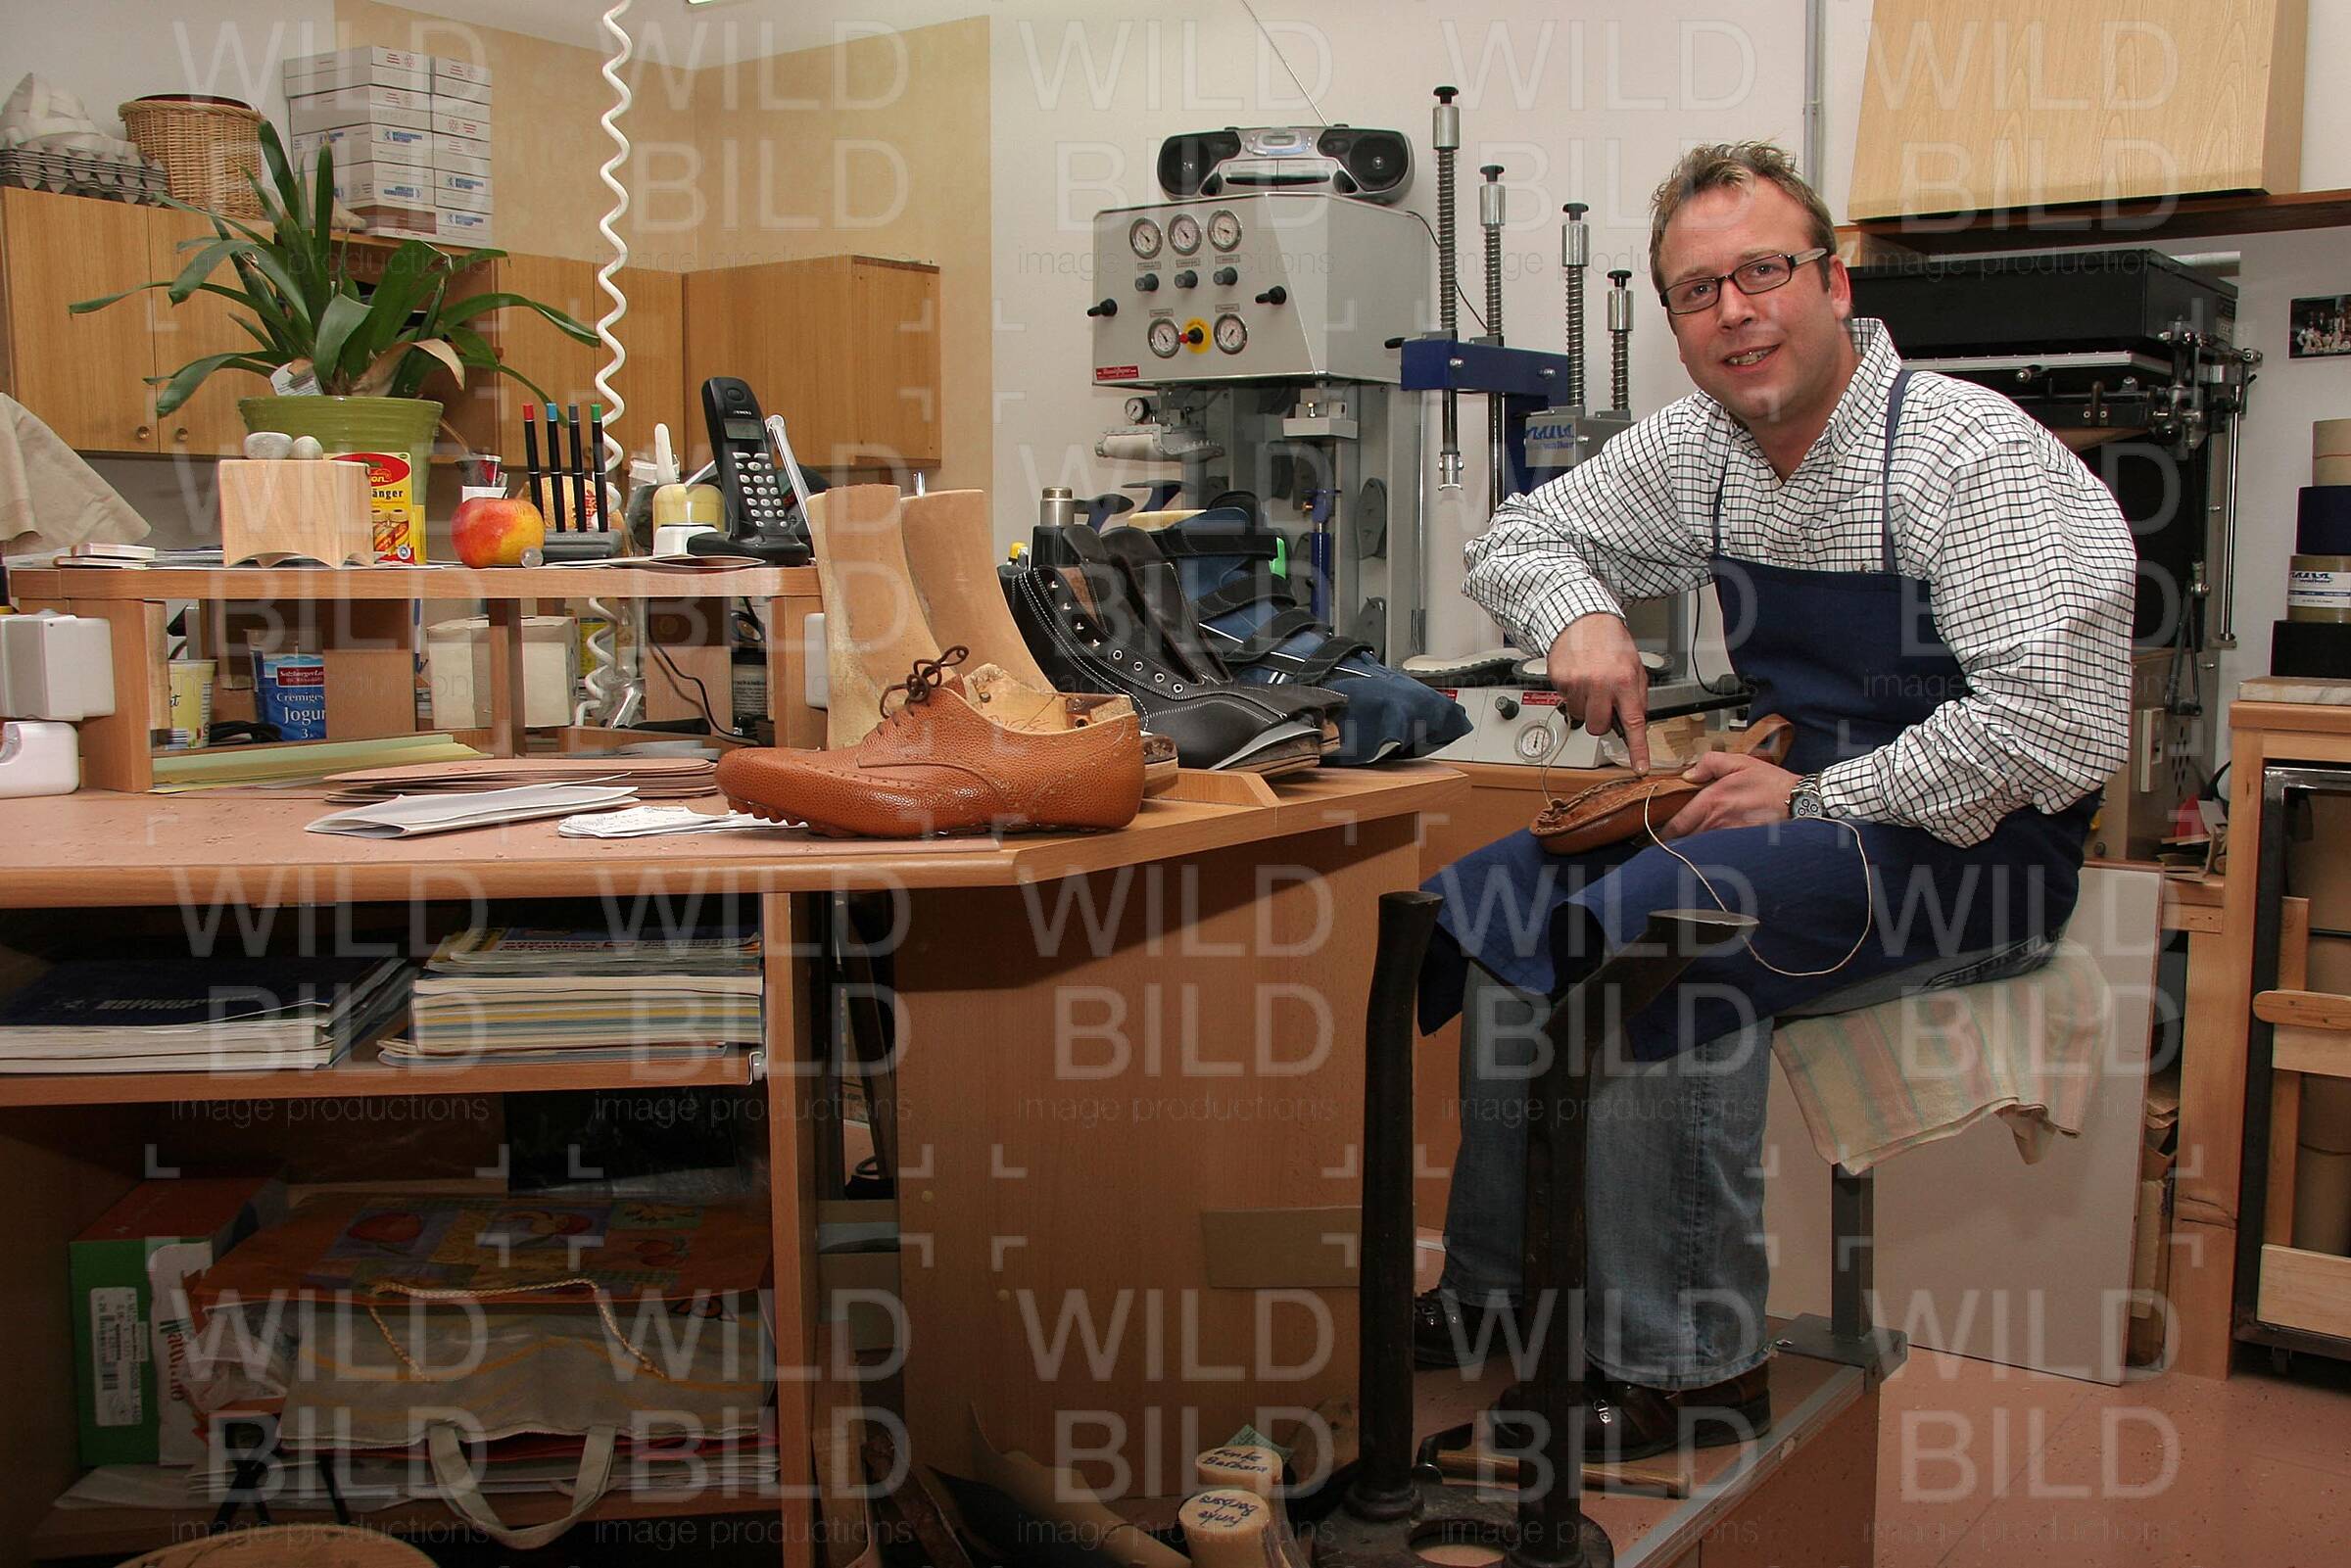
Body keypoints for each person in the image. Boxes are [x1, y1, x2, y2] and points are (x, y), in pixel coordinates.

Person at [1414, 143, 2135, 1462]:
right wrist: (1579, 616)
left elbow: (2056, 728)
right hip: (1791, 799)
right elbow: (1518, 536)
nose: (1736, 311)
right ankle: (1497, 1291)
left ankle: (1685, 1368)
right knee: (1503, 908)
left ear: (1834, 282)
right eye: (1699, 290)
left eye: (1764, 272)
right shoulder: (1705, 448)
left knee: (1663, 934)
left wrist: (1814, 797)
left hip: (1974, 846)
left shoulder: (1970, 455)